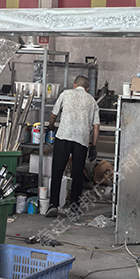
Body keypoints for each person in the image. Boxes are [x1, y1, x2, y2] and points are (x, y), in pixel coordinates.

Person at [46, 75, 99, 217]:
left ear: (74, 85)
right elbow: (96, 126)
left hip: (63, 136)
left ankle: (53, 205)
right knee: (77, 174)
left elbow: (53, 115)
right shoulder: (92, 101)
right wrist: (93, 145)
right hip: (81, 140)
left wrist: (51, 126)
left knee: (57, 171)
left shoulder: (65, 94)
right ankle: (74, 208)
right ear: (87, 88)